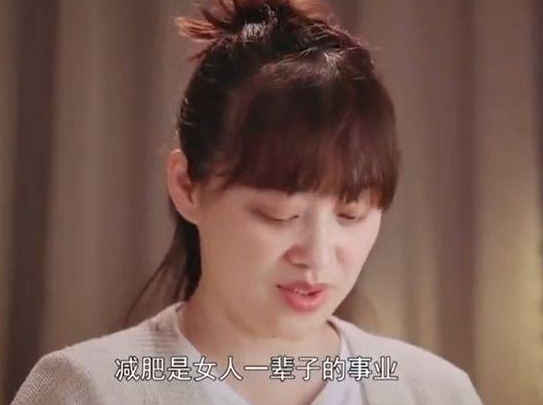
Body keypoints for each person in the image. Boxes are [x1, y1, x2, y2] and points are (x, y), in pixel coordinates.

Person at [11, 0, 484, 404]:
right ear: (187, 186)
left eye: (350, 214)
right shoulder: (86, 390)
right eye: (279, 214)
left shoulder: (434, 391)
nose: (318, 256)